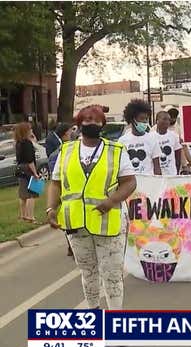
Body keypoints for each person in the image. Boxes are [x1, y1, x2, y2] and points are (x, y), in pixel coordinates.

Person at [46, 105, 137, 310]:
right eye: (87, 120)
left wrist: (112, 201)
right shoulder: (66, 151)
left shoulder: (116, 150)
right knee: (88, 273)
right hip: (77, 224)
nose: (91, 124)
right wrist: (51, 209)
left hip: (109, 222)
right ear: (79, 124)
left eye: (96, 120)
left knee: (112, 275)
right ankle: (93, 314)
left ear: (102, 124)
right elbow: (55, 183)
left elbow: (130, 182)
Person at [118, 99, 161, 175]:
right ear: (132, 119)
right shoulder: (122, 141)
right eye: (141, 118)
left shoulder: (152, 138)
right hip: (130, 183)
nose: (144, 122)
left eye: (146, 119)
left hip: (149, 183)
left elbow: (157, 167)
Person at [14, 122, 41, 224]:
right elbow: (30, 160)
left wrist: (33, 137)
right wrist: (35, 173)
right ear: (25, 131)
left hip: (20, 168)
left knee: (23, 194)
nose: (31, 131)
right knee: (32, 194)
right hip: (28, 168)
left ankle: (23, 215)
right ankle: (31, 216)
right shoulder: (27, 143)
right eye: (30, 130)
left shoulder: (18, 143)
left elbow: (35, 142)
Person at [154, 111, 182, 176]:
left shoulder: (174, 135)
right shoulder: (150, 136)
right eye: (164, 119)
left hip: (171, 174)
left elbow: (178, 156)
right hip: (156, 176)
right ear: (157, 121)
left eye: (168, 120)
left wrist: (177, 172)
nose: (167, 122)